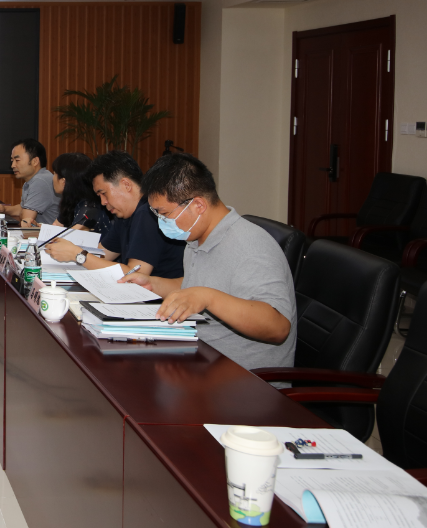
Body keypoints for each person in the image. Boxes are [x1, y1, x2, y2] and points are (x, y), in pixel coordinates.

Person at [119, 153, 296, 370]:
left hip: (243, 376)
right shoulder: (197, 236)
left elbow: (278, 327)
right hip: (200, 354)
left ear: (198, 205)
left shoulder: (251, 247)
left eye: (164, 214)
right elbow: (193, 286)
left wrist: (208, 298)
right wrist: (151, 284)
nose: (161, 222)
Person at [44, 151, 185, 278]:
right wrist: (69, 251)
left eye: (104, 193)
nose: (103, 202)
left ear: (126, 185)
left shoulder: (148, 213)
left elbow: (135, 275)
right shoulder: (124, 215)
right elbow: (102, 255)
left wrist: (78, 255)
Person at [0, 139, 58, 227]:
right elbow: (23, 208)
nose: (13, 165)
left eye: (17, 160)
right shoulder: (34, 180)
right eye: (12, 161)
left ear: (35, 161)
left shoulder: (40, 181)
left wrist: (22, 213)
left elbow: (26, 221)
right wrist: (3, 209)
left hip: (48, 235)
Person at [48, 152, 112, 232]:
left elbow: (68, 237)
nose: (52, 177)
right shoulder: (71, 202)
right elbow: (55, 227)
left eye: (54, 173)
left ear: (63, 181)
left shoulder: (89, 208)